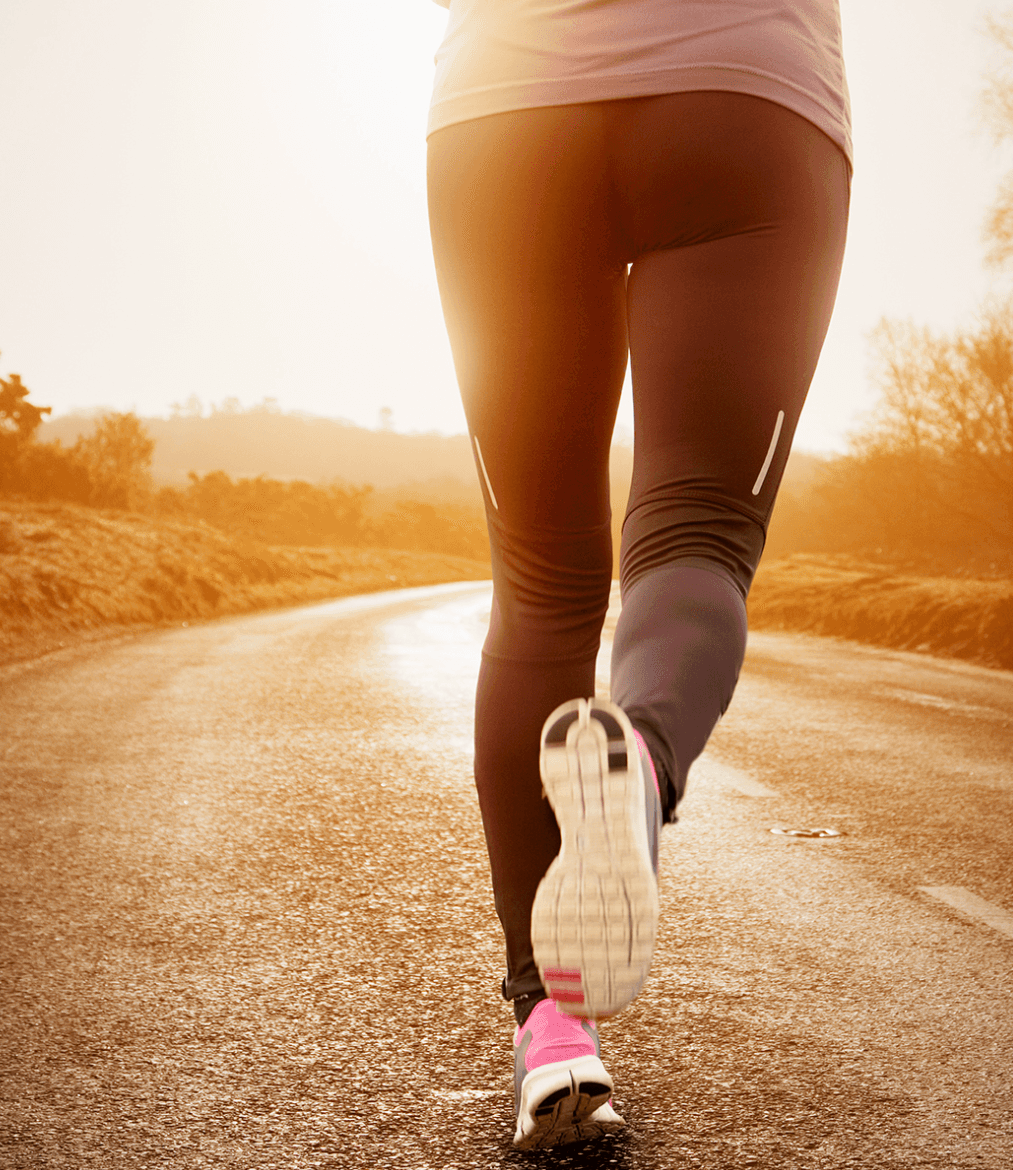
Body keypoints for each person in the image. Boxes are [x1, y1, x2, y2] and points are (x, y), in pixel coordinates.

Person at [425, 0, 851, 1150]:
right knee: (694, 529)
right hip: (742, 91)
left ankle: (551, 1032)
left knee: (542, 583)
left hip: (505, 111)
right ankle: (642, 758)